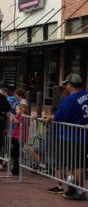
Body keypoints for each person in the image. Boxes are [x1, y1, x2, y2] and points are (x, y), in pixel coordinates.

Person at [48, 73, 88, 201]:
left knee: (76, 165)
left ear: (70, 85)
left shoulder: (69, 100)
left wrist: (50, 118)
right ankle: (72, 188)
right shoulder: (86, 95)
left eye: (67, 84)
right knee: (77, 164)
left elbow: (59, 117)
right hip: (83, 135)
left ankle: (80, 191)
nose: (66, 87)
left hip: (71, 136)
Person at [10, 103, 29, 175]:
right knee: (14, 153)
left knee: (16, 154)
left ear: (22, 110)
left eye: (17, 110)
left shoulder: (24, 117)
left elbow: (16, 122)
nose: (16, 111)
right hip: (16, 136)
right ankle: (15, 168)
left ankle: (16, 169)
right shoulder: (19, 116)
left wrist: (11, 115)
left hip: (18, 138)